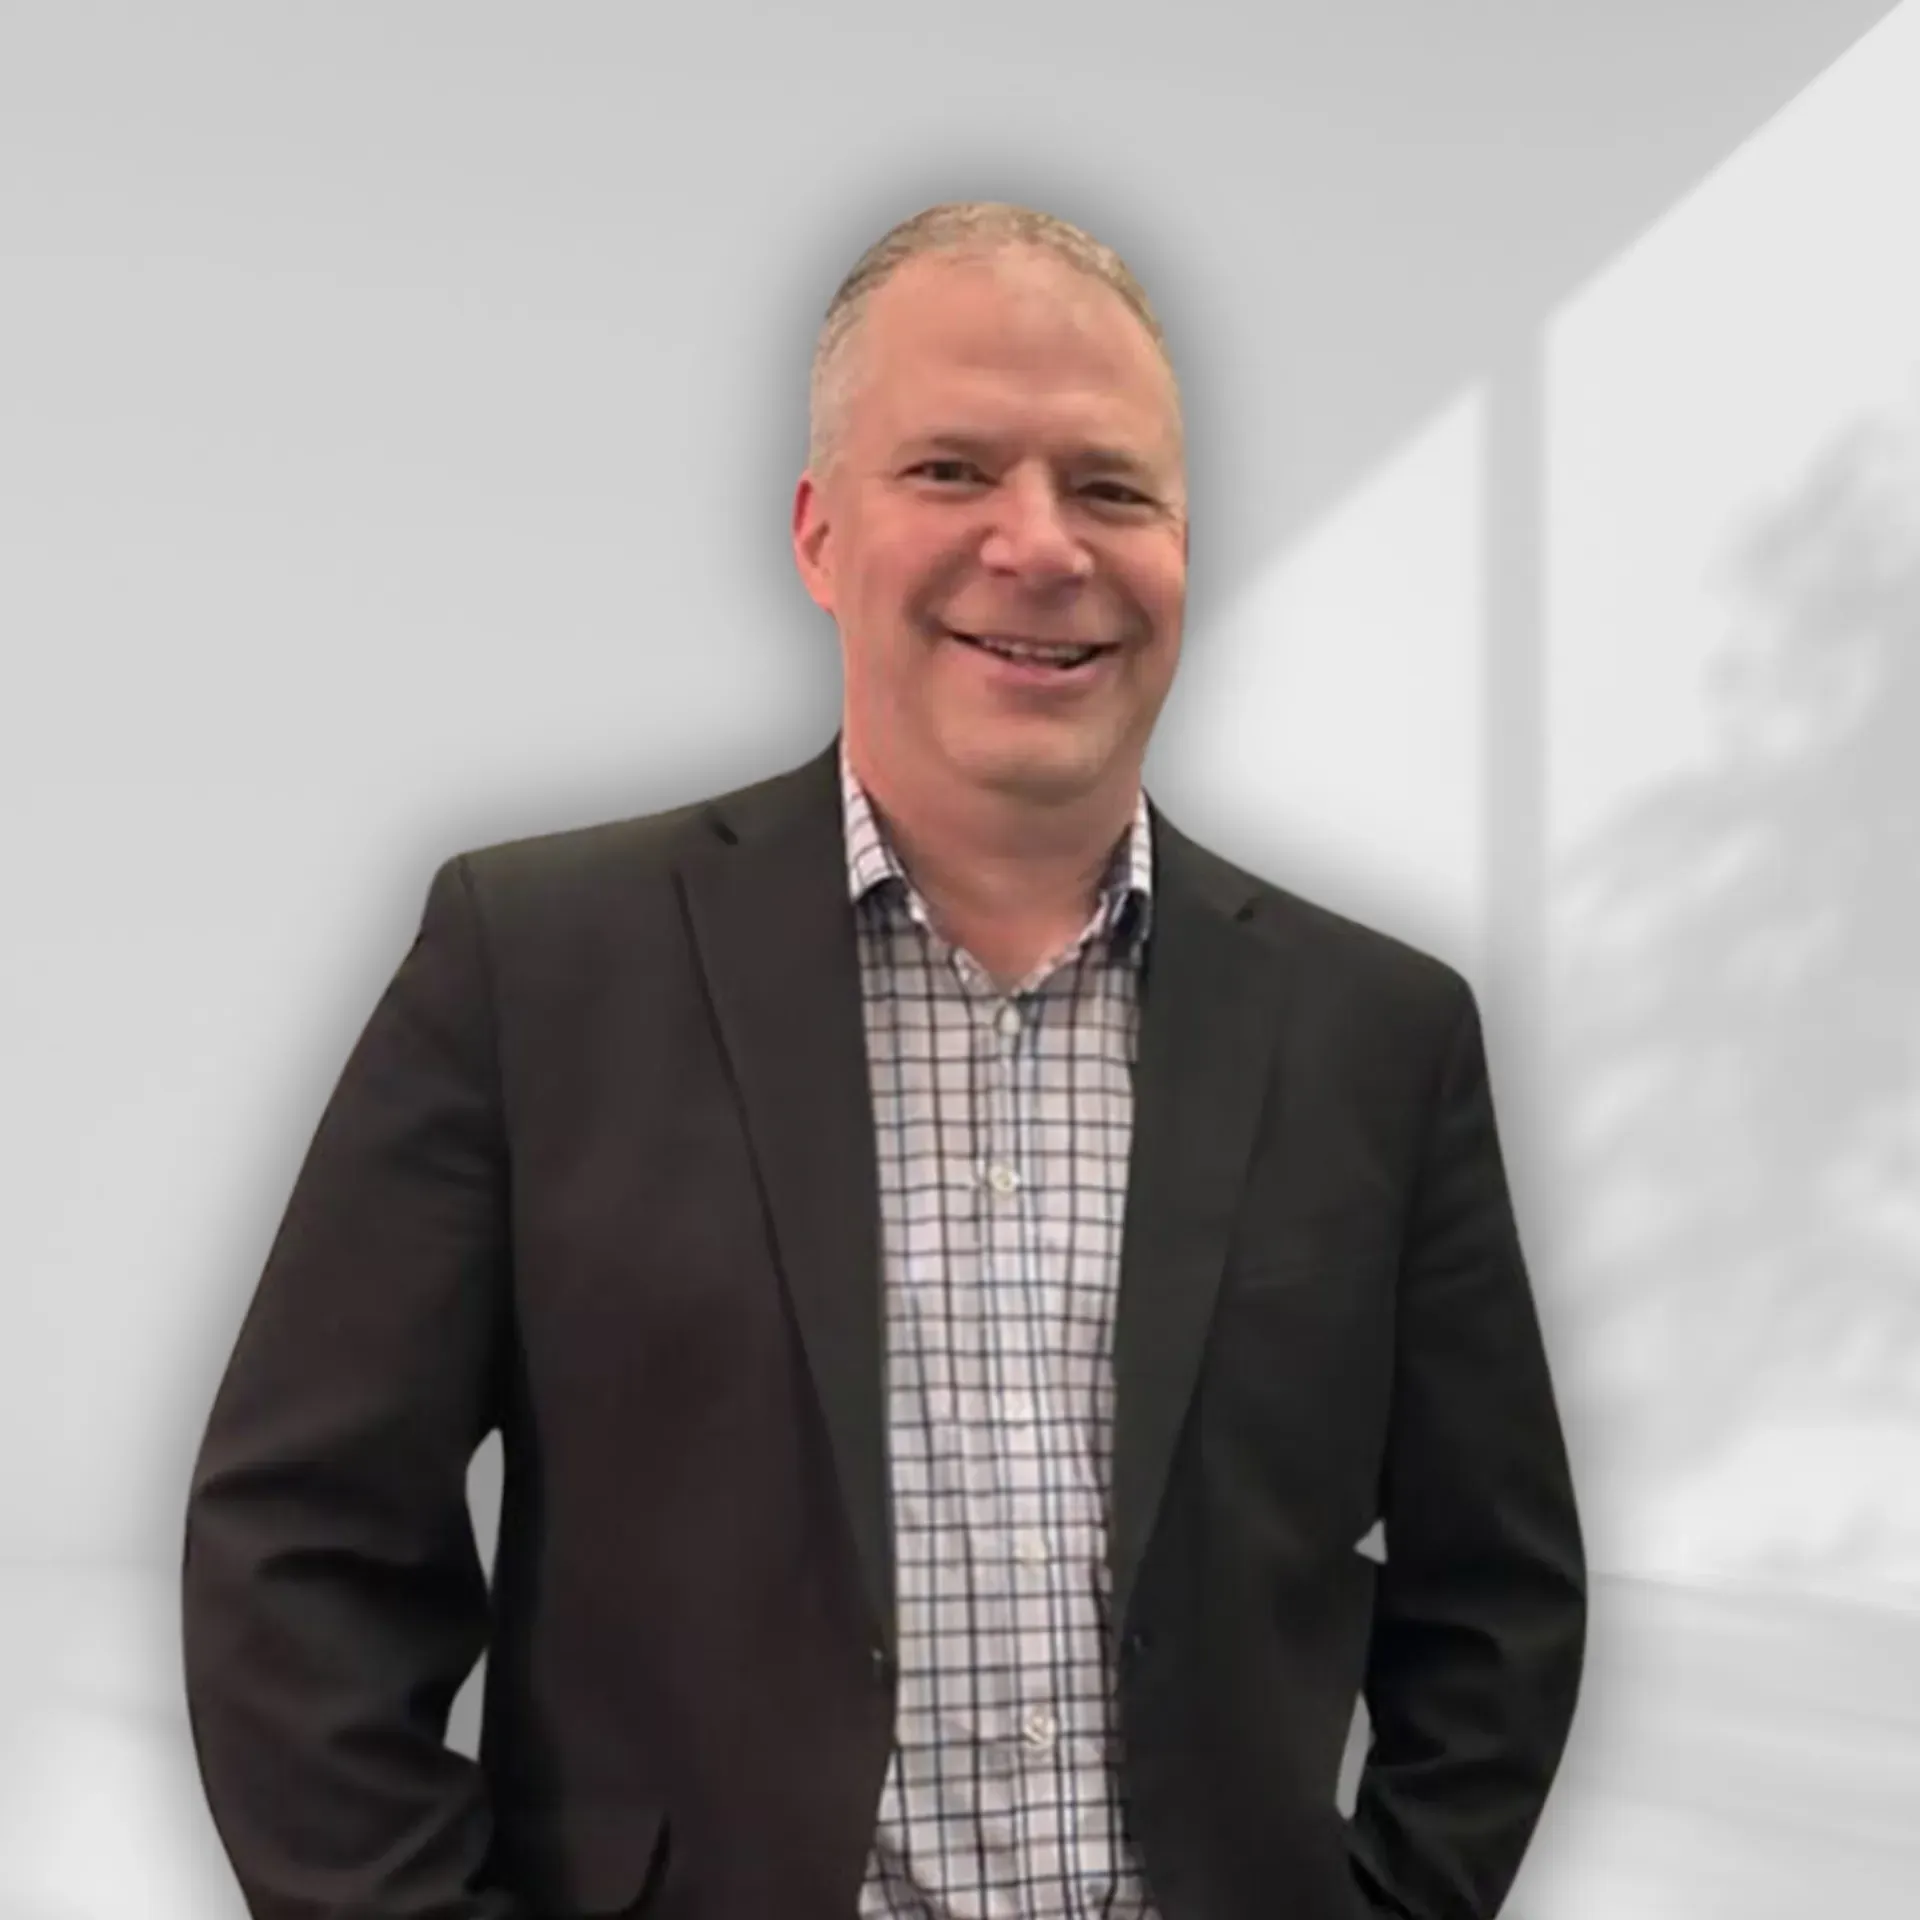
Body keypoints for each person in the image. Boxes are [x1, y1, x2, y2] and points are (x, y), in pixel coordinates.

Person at [181, 200, 1586, 1920]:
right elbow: (297, 1563)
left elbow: (1498, 1603)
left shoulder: (1384, 1036)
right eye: (951, 470)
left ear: (1184, 551)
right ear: (819, 533)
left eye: (1113, 487)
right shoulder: (535, 969)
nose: (1041, 544)